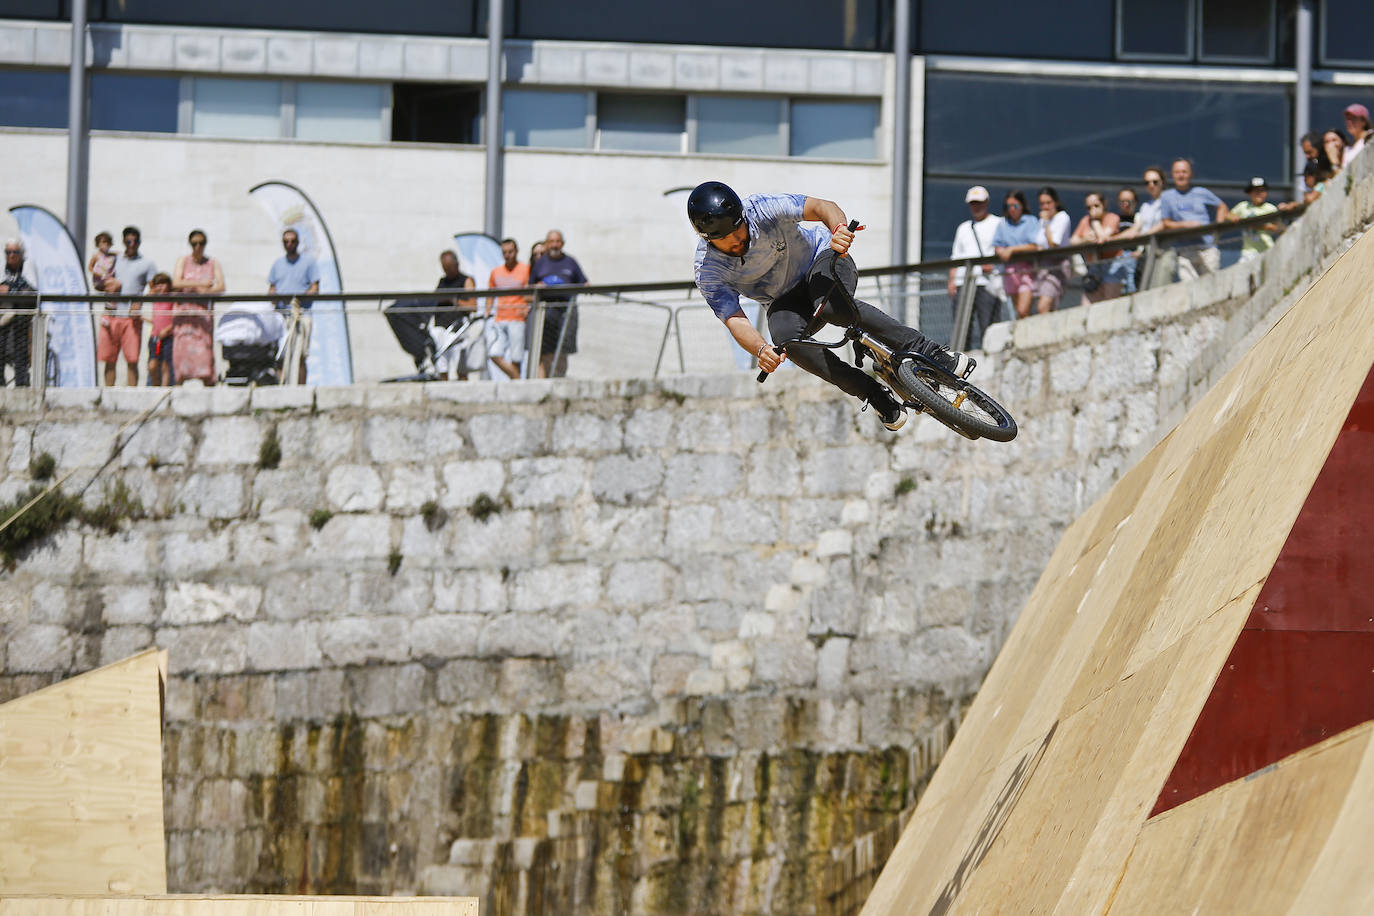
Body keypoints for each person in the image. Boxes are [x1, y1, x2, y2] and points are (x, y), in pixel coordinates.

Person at [688, 180, 974, 432]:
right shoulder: (708, 270)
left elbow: (823, 207)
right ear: (708, 239)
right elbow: (735, 318)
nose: (738, 241)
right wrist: (761, 350)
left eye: (739, 231)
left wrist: (838, 230)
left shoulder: (762, 208)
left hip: (822, 259)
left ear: (742, 217)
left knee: (829, 307)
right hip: (782, 299)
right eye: (725, 241)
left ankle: (931, 352)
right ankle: (873, 393)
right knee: (787, 341)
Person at [383, 249, 475, 379]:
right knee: (441, 364)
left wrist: (453, 300)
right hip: (440, 329)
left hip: (457, 330)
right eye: (445, 269)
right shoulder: (442, 281)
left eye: (449, 268)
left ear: (457, 264)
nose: (447, 272)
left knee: (460, 367)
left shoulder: (466, 280)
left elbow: (472, 306)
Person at [946, 185, 1003, 349]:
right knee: (962, 328)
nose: (976, 207)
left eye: (979, 203)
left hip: (987, 283)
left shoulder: (998, 223)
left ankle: (991, 357)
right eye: (973, 203)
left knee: (989, 325)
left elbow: (1003, 250)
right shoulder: (963, 228)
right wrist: (951, 281)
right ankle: (962, 361)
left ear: (987, 202)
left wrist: (994, 265)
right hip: (963, 283)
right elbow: (955, 257)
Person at [100, 226, 156, 386]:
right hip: (111, 315)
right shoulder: (114, 260)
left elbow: (155, 287)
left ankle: (132, 397)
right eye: (128, 241)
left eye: (135, 241)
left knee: (132, 360)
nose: (132, 244)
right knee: (109, 360)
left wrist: (140, 302)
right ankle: (108, 396)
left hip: (131, 318)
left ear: (139, 242)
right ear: (123, 241)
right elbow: (98, 280)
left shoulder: (147, 263)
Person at [1159, 158, 1229, 282]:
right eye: (1177, 172)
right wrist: (1185, 225)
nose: (1181, 175)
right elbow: (1166, 222)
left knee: (1211, 285)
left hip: (1207, 248)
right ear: (1172, 175)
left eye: (1184, 172)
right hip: (1184, 250)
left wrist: (1217, 228)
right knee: (1189, 288)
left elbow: (1222, 206)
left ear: (1191, 174)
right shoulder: (1166, 196)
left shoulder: (1201, 192)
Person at [530, 229, 587, 378]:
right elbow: (530, 287)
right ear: (547, 244)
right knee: (547, 350)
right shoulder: (540, 264)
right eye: (551, 242)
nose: (555, 245)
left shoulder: (571, 262)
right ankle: (549, 378)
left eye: (558, 241)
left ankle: (559, 378)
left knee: (563, 349)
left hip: (566, 310)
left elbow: (583, 282)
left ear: (562, 243)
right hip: (546, 312)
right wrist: (537, 287)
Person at [267, 228, 320, 384]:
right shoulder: (277, 264)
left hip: (301, 315)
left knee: (300, 354)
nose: (289, 244)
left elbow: (315, 287)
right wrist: (274, 299)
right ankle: (281, 386)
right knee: (280, 355)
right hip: (281, 315)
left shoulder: (308, 262)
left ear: (298, 242)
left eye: (292, 241)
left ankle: (300, 389)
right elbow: (272, 288)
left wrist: (299, 301)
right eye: (286, 241)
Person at [991, 189, 1042, 319]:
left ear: (1022, 205)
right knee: (1019, 312)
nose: (1012, 209)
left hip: (1027, 271)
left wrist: (1012, 249)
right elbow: (997, 245)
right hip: (1010, 273)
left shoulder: (1031, 221)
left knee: (1022, 310)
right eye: (1009, 206)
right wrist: (1001, 251)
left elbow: (1035, 245)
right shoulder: (1003, 224)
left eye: (1016, 206)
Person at [486, 238, 530, 379]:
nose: (508, 255)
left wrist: (527, 308)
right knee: (494, 354)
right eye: (504, 252)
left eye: (510, 252)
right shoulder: (496, 272)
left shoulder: (525, 269)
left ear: (516, 251)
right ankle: (517, 379)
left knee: (516, 357)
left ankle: (515, 382)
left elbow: (530, 293)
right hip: (500, 318)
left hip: (517, 318)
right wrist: (488, 310)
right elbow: (490, 293)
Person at [1070, 191, 1123, 303]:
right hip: (1093, 267)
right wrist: (1085, 239)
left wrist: (1095, 222)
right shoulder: (1085, 221)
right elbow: (1072, 241)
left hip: (1112, 265)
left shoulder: (1112, 218)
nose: (1092, 210)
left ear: (1104, 205)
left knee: (1110, 303)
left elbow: (1103, 238)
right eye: (1089, 208)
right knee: (1087, 306)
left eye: (1096, 205)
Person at [0, 239, 36, 387]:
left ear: (22, 254)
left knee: (21, 350)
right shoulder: (3, 268)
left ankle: (21, 383)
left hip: (21, 316)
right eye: (8, 252)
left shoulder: (27, 267)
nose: (12, 256)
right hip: (3, 315)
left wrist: (10, 290)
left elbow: (32, 288)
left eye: (15, 252)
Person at [1030, 186, 1071, 314]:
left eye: (1048, 203)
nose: (1045, 207)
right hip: (1042, 266)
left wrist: (1047, 223)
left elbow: (1053, 244)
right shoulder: (1042, 221)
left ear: (1056, 203)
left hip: (1057, 266)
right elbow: (1038, 242)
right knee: (1049, 308)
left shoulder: (1062, 217)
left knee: (1043, 306)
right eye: (1042, 203)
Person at [1226, 177, 1282, 262]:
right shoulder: (1243, 206)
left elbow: (1280, 228)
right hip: (1247, 252)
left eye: (1262, 191)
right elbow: (1227, 215)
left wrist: (1262, 227)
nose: (1259, 194)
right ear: (1250, 193)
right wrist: (1233, 218)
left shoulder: (1271, 208)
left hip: (1266, 250)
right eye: (1256, 191)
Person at [146, 272, 175, 386]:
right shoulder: (155, 299)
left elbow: (176, 318)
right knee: (152, 366)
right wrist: (142, 318)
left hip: (168, 337)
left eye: (163, 284)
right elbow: (155, 319)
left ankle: (164, 389)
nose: (160, 287)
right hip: (155, 337)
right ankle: (155, 387)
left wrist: (167, 330)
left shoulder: (172, 298)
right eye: (158, 284)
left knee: (165, 365)